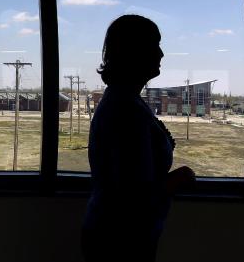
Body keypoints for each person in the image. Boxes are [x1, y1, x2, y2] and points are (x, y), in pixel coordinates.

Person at [81, 15, 196, 262]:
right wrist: (180, 177)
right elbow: (134, 197)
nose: (161, 53)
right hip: (120, 240)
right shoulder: (125, 107)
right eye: (154, 44)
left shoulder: (126, 99)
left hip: (116, 233)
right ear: (133, 51)